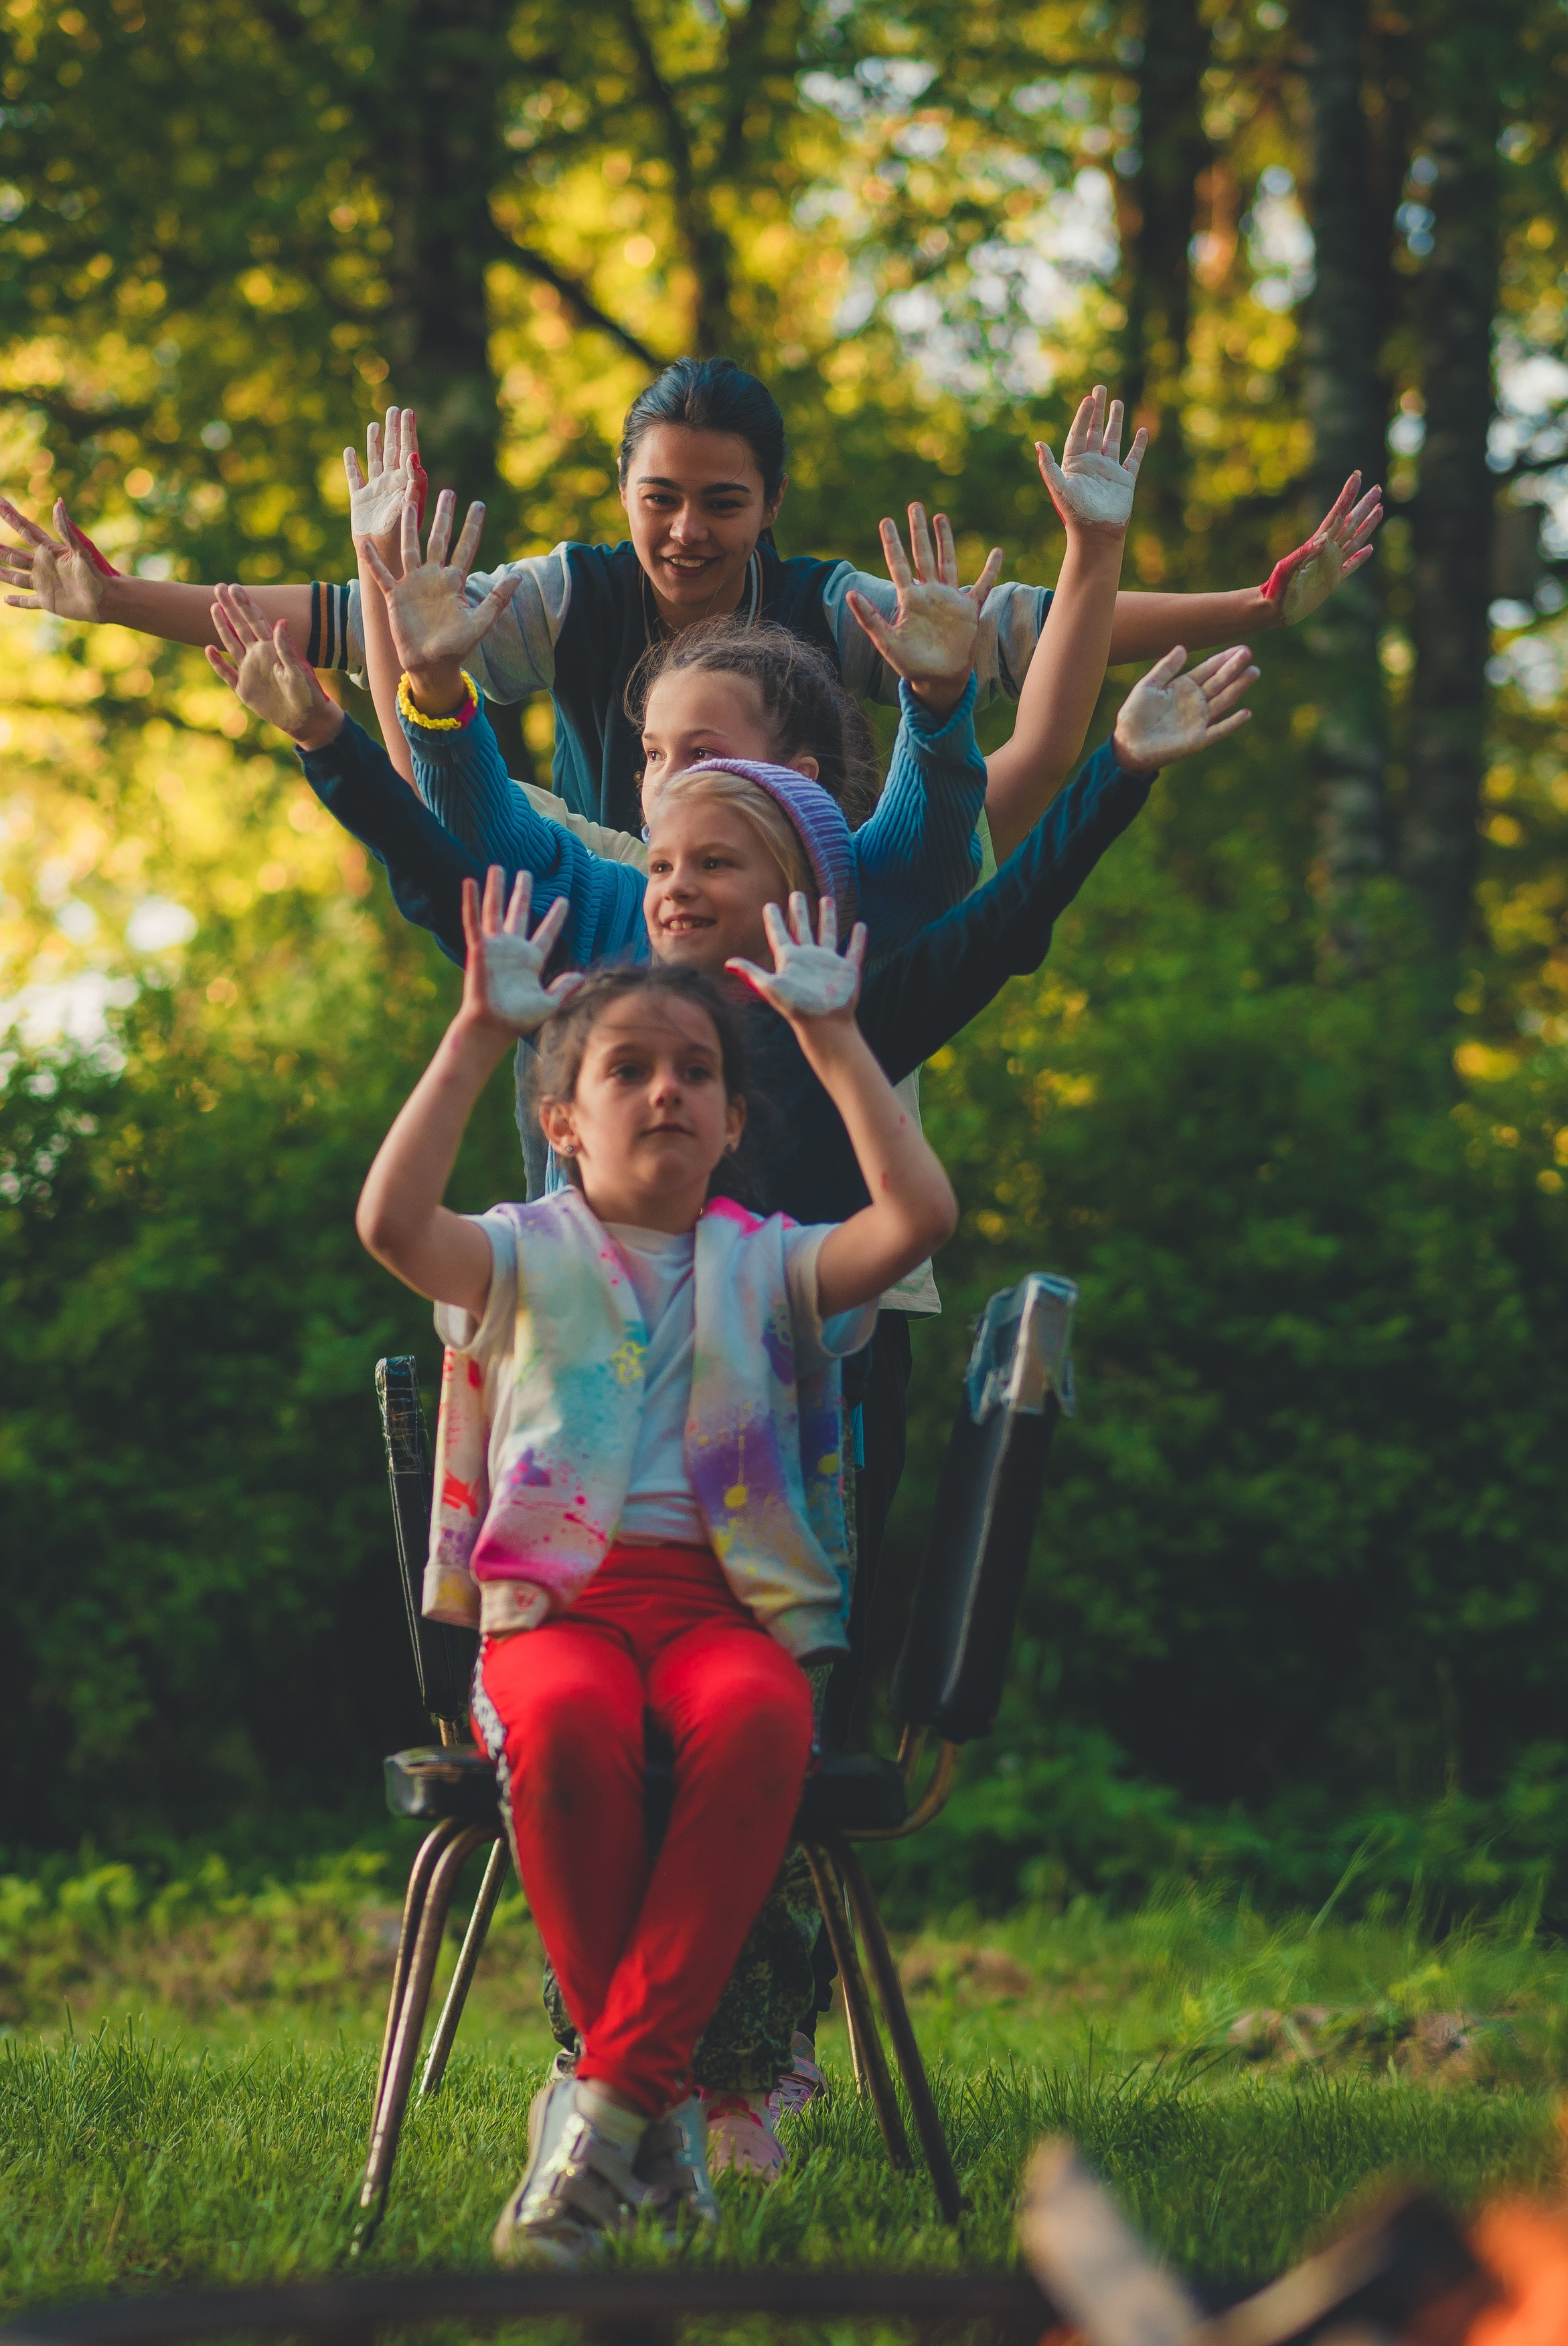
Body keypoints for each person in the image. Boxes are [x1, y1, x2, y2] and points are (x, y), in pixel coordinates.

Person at [206, 581, 1257, 2171]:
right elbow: (447, 880)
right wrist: (343, 740)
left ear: (797, 883)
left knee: (762, 1721)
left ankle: (728, 2072)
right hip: (580, 1463)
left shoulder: (845, 1016)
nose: (673, 882)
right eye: (664, 843)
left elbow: (999, 911)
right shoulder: (603, 1024)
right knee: (595, 1733)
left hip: (793, 1410)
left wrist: (1108, 768)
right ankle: (634, 2078)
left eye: (714, 858)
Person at [354, 864, 959, 2262]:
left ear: (737, 1121)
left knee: (759, 1720)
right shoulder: (516, 1255)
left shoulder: (771, 1264)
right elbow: (391, 1226)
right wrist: (476, 1036)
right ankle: (654, 2117)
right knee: (564, 1729)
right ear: (562, 1123)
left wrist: (833, 1040)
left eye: (695, 1073)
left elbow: (916, 1221)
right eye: (628, 1070)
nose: (667, 1091)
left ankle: (608, 2108)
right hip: (557, 1614)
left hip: (721, 1619)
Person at [0, 356, 1379, 838]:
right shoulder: (564, 601)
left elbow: (1040, 657)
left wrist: (1251, 609)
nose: (686, 531)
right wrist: (122, 600)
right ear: (621, 496)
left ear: (767, 505)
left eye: (721, 502)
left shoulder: (828, 608)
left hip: (798, 934)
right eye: (659, 499)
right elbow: (348, 626)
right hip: (611, 929)